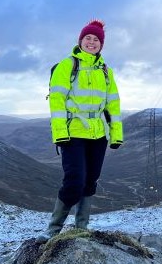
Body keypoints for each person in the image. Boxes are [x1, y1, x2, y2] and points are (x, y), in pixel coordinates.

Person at [37, 19, 123, 242]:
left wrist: (116, 134)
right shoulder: (67, 65)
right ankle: (52, 231)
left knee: (90, 181)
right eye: (88, 38)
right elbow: (56, 100)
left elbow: (113, 104)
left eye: (96, 39)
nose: (92, 42)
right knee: (74, 181)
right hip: (73, 132)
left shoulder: (106, 70)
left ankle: (81, 227)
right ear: (80, 41)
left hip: (98, 134)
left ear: (101, 45)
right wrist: (59, 133)